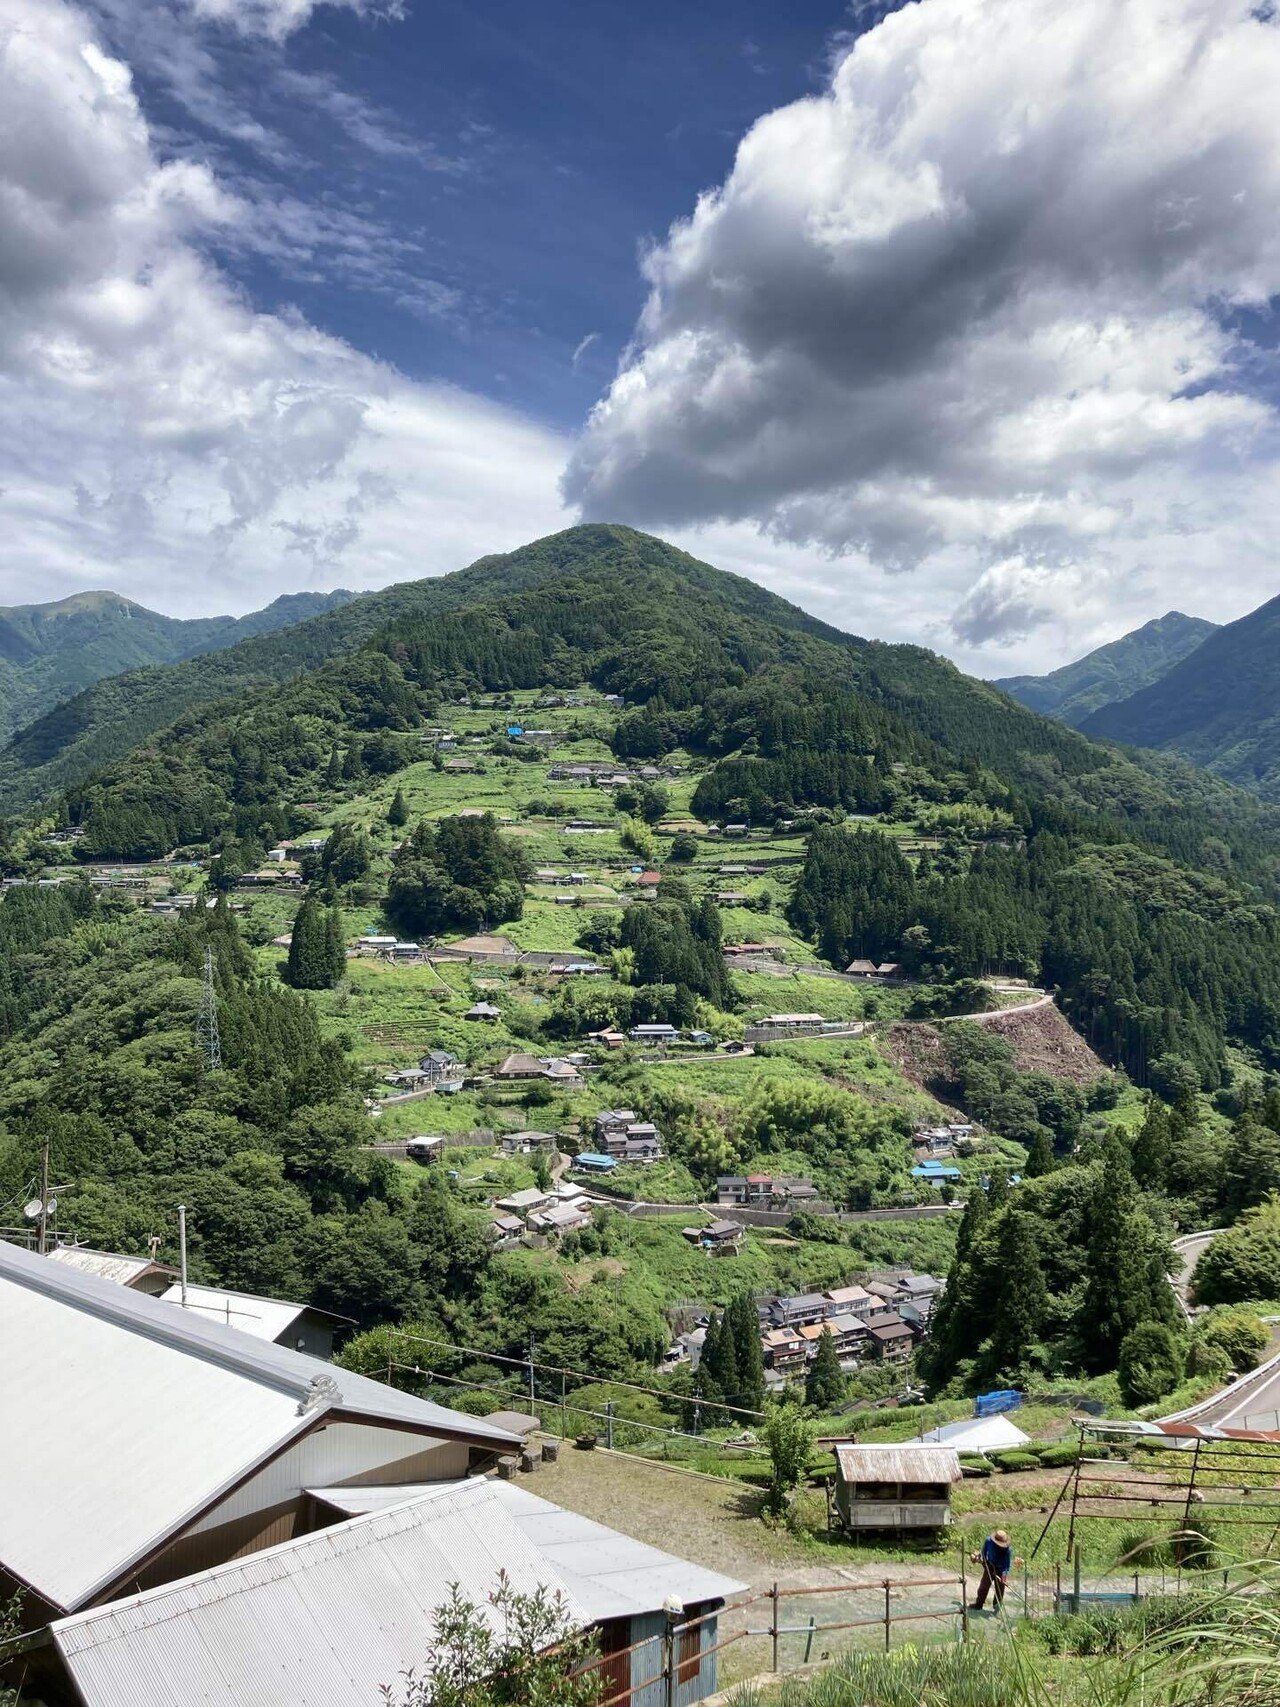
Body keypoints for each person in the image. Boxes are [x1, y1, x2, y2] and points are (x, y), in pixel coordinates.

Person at [970, 1529, 1017, 1610]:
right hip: (990, 1566)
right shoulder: (988, 1541)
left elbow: (1006, 1566)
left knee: (1000, 1590)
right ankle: (979, 1604)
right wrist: (984, 1562)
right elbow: (984, 1553)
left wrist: (1003, 1577)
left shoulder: (1007, 1550)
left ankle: (996, 1607)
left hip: (1001, 1570)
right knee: (983, 1586)